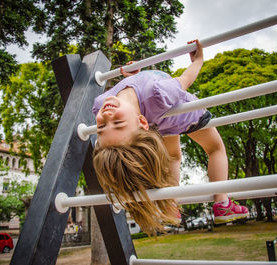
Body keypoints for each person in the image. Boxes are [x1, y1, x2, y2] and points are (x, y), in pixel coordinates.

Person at [92, 40, 248, 235]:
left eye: (101, 127)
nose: (107, 117)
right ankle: (222, 202)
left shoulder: (101, 103)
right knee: (216, 149)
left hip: (163, 125)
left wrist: (132, 78)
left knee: (173, 157)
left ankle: (170, 207)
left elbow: (134, 93)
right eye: (118, 123)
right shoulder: (157, 94)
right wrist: (198, 61)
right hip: (189, 117)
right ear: (142, 122)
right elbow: (185, 80)